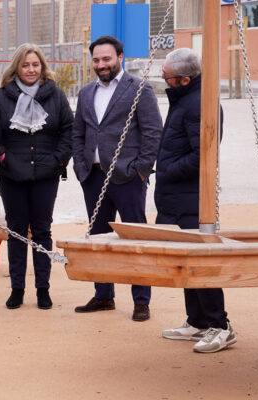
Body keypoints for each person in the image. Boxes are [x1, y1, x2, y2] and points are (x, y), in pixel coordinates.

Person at [71, 35, 162, 321]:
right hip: (93, 176)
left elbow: (152, 132)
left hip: (128, 177)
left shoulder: (140, 89)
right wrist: (80, 166)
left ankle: (141, 300)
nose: (101, 64)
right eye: (96, 60)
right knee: (99, 237)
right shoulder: (86, 93)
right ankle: (103, 295)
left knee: (135, 238)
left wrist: (140, 170)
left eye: (106, 59)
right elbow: (79, 132)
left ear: (120, 57)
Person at [156, 48, 235, 353]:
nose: (164, 80)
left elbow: (203, 156)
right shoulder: (184, 100)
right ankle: (198, 321)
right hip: (176, 197)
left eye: (167, 77)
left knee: (201, 262)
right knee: (186, 262)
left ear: (184, 78)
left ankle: (220, 325)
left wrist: (166, 171)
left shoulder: (199, 104)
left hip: (192, 198)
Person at [0, 43, 73, 310]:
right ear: (16, 67)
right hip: (11, 173)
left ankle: (43, 289)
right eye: (25, 65)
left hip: (46, 173)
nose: (31, 69)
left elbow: (68, 130)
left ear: (42, 66)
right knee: (16, 230)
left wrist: (58, 159)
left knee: (42, 231)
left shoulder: (56, 95)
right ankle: (17, 289)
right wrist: (2, 158)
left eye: (35, 64)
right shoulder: (1, 97)